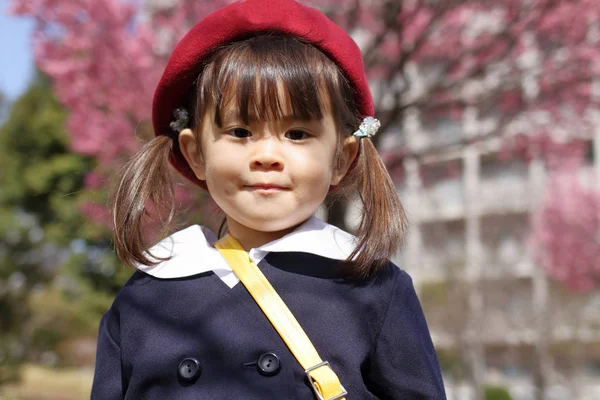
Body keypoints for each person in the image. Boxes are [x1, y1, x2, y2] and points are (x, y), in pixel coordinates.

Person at [91, 0, 447, 398]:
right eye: (240, 131)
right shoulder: (146, 296)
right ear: (195, 153)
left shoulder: (373, 289)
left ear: (342, 158)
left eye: (297, 134)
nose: (266, 155)